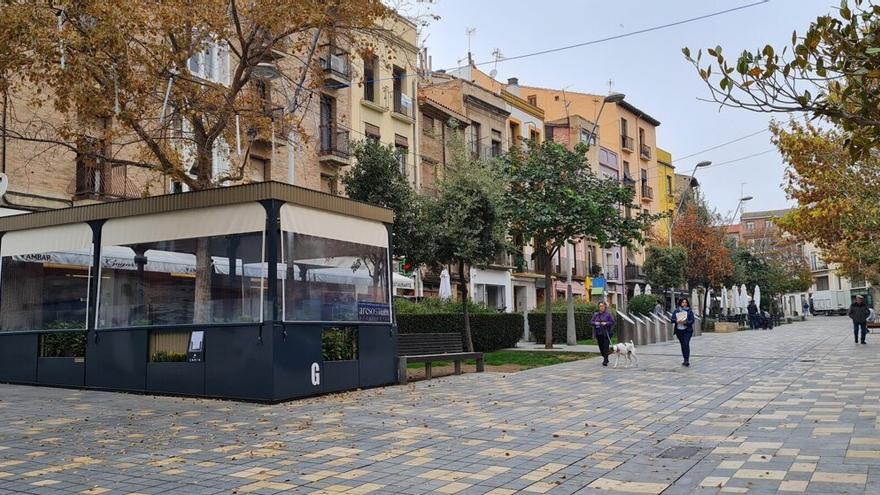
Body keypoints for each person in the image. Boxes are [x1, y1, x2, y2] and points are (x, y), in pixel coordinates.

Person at [670, 297, 695, 367]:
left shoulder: (689, 311)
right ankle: (685, 359)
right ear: (680, 303)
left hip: (687, 330)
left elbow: (692, 320)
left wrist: (685, 322)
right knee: (682, 344)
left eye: (685, 302)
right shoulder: (677, 310)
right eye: (683, 302)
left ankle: (687, 360)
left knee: (686, 343)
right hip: (679, 331)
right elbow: (672, 319)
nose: (684, 303)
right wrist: (676, 321)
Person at [591, 302, 615, 366]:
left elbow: (612, 322)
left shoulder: (608, 314)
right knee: (601, 348)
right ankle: (605, 356)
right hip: (599, 333)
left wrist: (606, 323)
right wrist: (595, 323)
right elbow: (591, 322)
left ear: (605, 307)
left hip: (606, 332)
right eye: (600, 306)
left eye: (602, 306)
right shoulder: (596, 314)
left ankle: (605, 360)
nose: (601, 307)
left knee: (605, 346)